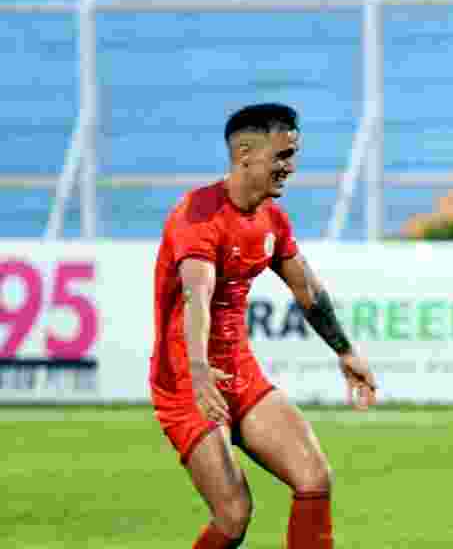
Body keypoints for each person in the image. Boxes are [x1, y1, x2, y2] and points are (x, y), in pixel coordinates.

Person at [149, 102, 378, 549]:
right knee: (233, 515)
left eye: (293, 155)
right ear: (246, 154)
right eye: (283, 156)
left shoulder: (272, 219)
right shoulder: (196, 216)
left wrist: (346, 352)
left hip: (240, 374)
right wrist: (198, 372)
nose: (291, 168)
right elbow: (199, 295)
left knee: (314, 478)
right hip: (186, 380)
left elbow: (309, 291)